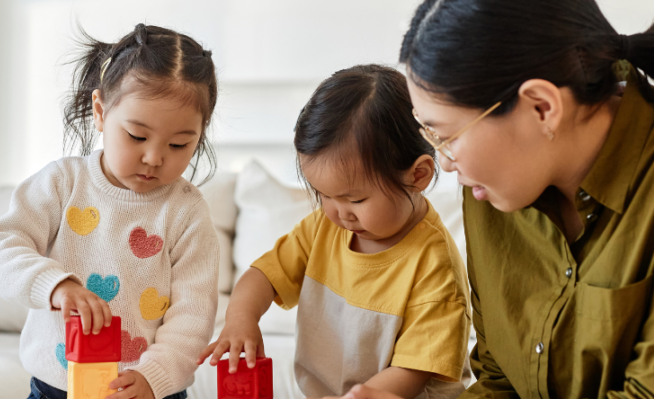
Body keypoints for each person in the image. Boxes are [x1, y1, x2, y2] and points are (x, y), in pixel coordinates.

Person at [335, 0, 654, 398]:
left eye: (446, 136)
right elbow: (501, 382)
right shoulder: (496, 188)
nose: (445, 164)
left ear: (542, 107)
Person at [197, 65, 471, 399]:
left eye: (354, 198)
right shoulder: (324, 228)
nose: (337, 212)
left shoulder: (435, 267)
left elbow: (413, 372)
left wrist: (362, 395)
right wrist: (241, 318)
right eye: (323, 195)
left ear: (418, 176)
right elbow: (263, 276)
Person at [0, 23, 221, 399]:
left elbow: (193, 315)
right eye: (137, 136)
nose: (154, 157)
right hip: (56, 388)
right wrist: (55, 285)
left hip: (149, 391)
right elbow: (0, 249)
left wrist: (154, 376)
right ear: (100, 111)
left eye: (179, 144)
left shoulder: (187, 212)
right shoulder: (62, 183)